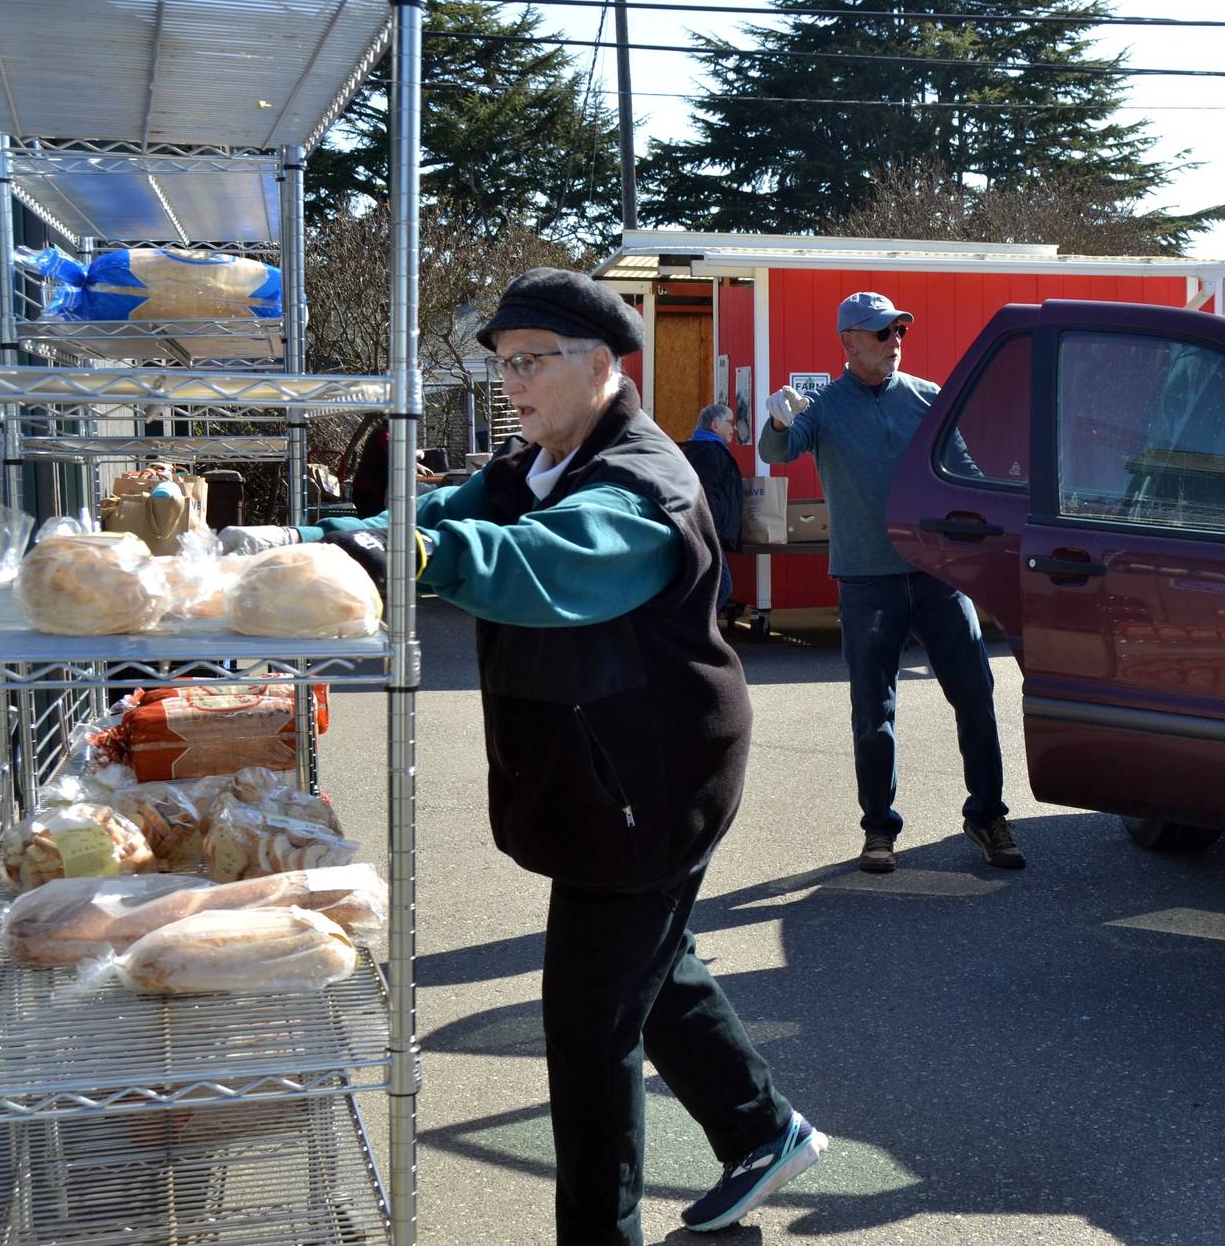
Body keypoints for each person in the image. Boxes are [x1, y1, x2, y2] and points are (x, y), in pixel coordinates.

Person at [224, 269, 823, 1244]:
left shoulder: (641, 485)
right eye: (504, 364)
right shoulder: (532, 465)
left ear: (601, 365)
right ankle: (763, 1130)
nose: (513, 383)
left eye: (531, 362)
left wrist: (407, 565)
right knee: (649, 966)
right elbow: (443, 515)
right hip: (597, 779)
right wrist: (308, 542)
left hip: (649, 784)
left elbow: (552, 563)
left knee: (588, 1029)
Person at [758, 290, 1024, 875]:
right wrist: (777, 420)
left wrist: (996, 530)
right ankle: (879, 830)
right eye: (882, 334)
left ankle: (987, 816)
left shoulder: (928, 398)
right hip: (866, 581)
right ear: (849, 342)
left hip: (937, 578)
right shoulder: (823, 408)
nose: (895, 342)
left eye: (899, 331)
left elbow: (965, 473)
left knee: (977, 698)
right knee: (873, 712)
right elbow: (777, 452)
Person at [679, 403, 743, 614]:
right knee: (722, 586)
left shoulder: (705, 449)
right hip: (706, 530)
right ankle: (698, 638)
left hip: (705, 530)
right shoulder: (709, 452)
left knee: (711, 588)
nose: (734, 428)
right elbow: (706, 493)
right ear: (715, 425)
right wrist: (711, 527)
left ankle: (697, 637)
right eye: (730, 423)